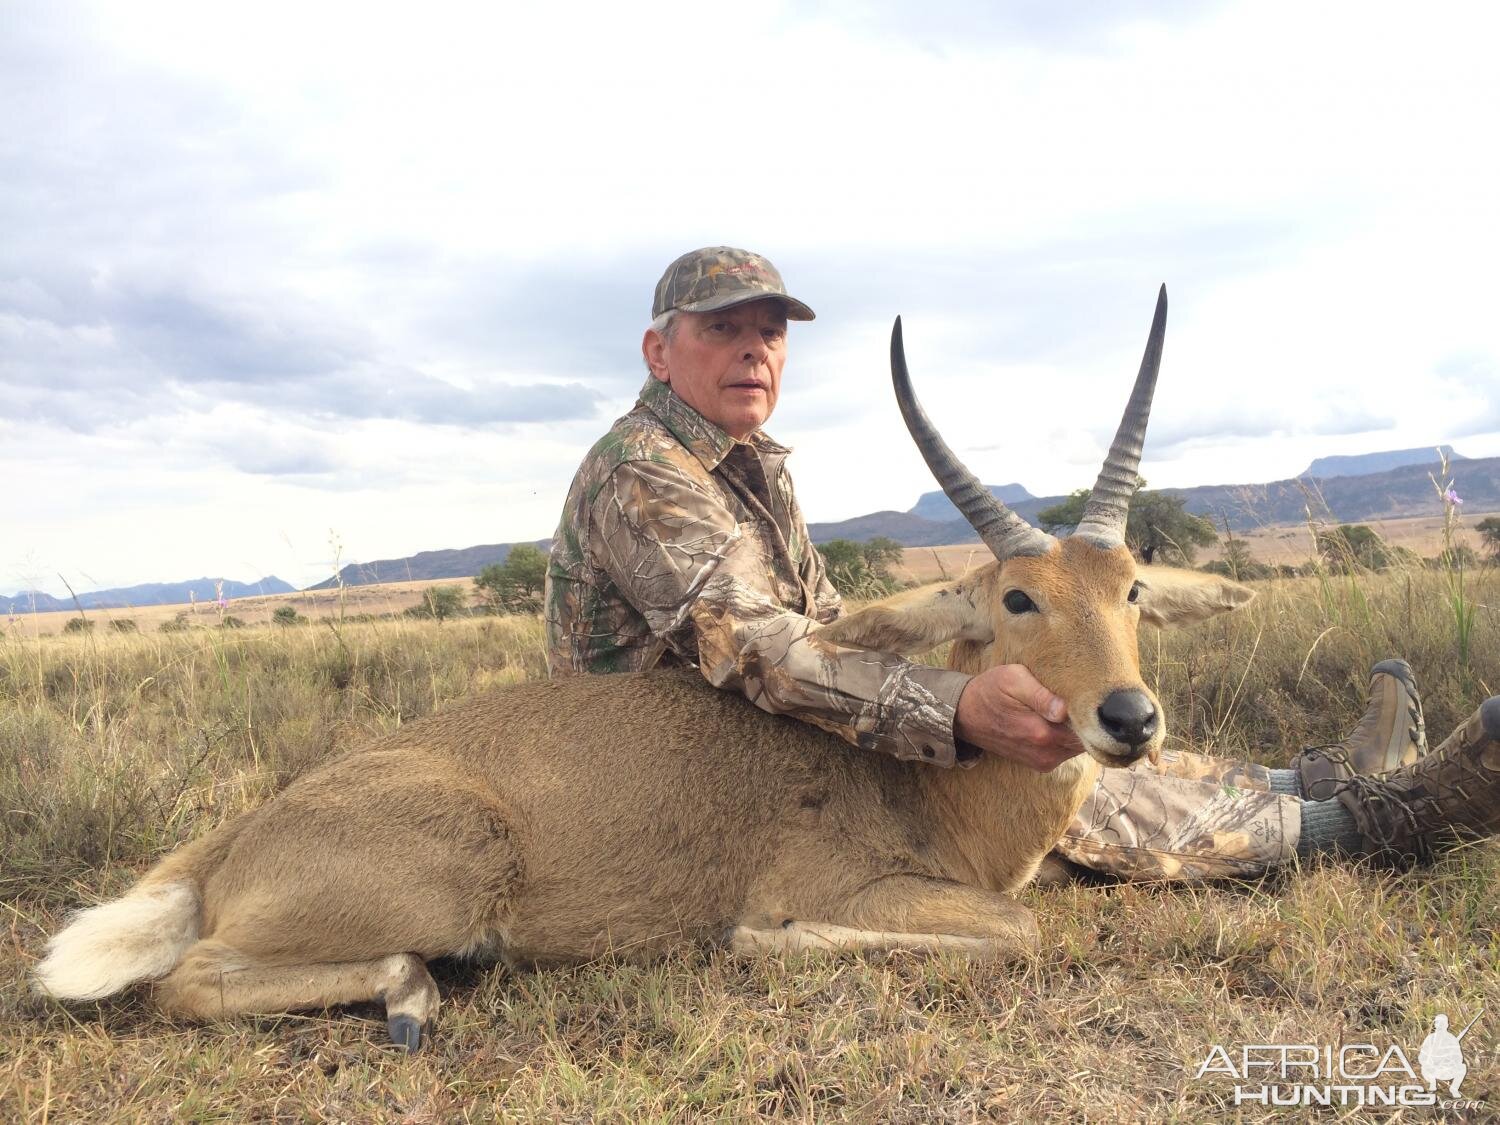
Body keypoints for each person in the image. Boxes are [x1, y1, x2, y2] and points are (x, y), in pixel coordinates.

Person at [544, 245, 1500, 881]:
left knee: (1060, 741)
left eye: (771, 332)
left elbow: (829, 633)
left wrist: (965, 676)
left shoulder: (754, 468)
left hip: (780, 751)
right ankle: (1382, 822)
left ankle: (1315, 778)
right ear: (658, 352)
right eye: (722, 329)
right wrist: (958, 709)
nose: (754, 349)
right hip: (692, 788)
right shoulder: (645, 472)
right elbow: (758, 652)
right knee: (1049, 791)